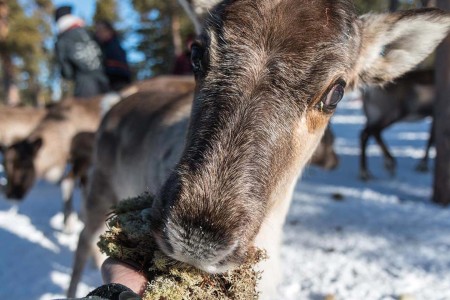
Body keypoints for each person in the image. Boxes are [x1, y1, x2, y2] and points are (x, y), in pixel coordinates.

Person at [54, 6, 109, 98]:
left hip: (84, 87)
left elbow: (67, 72)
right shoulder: (89, 33)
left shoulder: (62, 40)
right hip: (105, 82)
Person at [95, 20, 132, 91]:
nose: (98, 34)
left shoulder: (114, 47)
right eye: (97, 31)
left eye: (101, 30)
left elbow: (120, 70)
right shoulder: (105, 47)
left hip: (117, 84)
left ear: (109, 31)